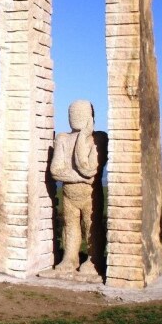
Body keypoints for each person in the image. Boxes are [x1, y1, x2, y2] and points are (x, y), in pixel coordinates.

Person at [50, 100, 108, 275]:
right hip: (69, 195)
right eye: (72, 112)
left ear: (90, 117)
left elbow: (89, 169)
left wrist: (83, 137)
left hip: (90, 195)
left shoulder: (98, 139)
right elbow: (55, 171)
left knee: (92, 226)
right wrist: (80, 178)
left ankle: (94, 259)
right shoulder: (63, 138)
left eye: (80, 112)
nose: (75, 116)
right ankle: (70, 258)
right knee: (70, 226)